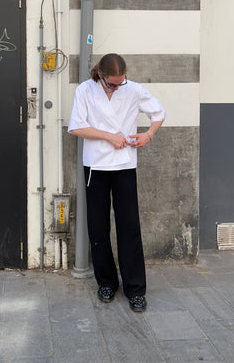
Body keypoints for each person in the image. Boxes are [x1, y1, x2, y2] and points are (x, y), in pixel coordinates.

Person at [68, 53, 167, 312]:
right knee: (98, 227)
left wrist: (148, 135)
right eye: (112, 83)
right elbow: (76, 127)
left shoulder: (132, 89)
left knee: (129, 227)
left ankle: (135, 289)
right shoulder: (85, 91)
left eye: (120, 82)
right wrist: (109, 136)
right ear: (100, 75)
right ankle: (107, 283)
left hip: (124, 165)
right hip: (96, 166)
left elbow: (159, 113)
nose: (116, 86)